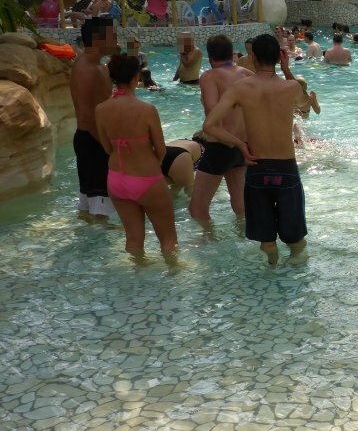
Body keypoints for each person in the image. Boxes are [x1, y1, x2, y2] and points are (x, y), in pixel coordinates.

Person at [203, 33, 308, 265]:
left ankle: (271, 271)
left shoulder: (240, 88)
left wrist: (240, 144)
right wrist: (287, 70)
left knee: (267, 241)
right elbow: (305, 104)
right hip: (286, 169)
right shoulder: (290, 87)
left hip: (257, 167)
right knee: (295, 239)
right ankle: (296, 270)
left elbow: (209, 125)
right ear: (279, 57)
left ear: (252, 57)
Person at [94, 53, 177, 257]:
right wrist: (153, 165)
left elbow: (107, 148)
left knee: (133, 239)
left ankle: (138, 275)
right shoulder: (146, 110)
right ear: (136, 77)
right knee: (168, 240)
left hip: (117, 179)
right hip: (146, 178)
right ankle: (173, 274)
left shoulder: (101, 109)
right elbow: (161, 149)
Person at [188, 34, 253, 225]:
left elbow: (212, 111)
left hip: (221, 146)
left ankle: (209, 239)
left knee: (197, 210)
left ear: (210, 58)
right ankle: (246, 235)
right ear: (232, 54)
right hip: (243, 146)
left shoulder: (210, 76)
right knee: (241, 206)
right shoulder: (248, 75)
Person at [71, 17, 117, 219]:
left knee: (88, 205)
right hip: (93, 140)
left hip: (92, 140)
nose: (116, 40)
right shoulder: (87, 68)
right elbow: (86, 114)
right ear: (99, 39)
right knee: (100, 206)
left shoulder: (97, 66)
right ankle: (104, 236)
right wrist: (107, 146)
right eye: (112, 36)